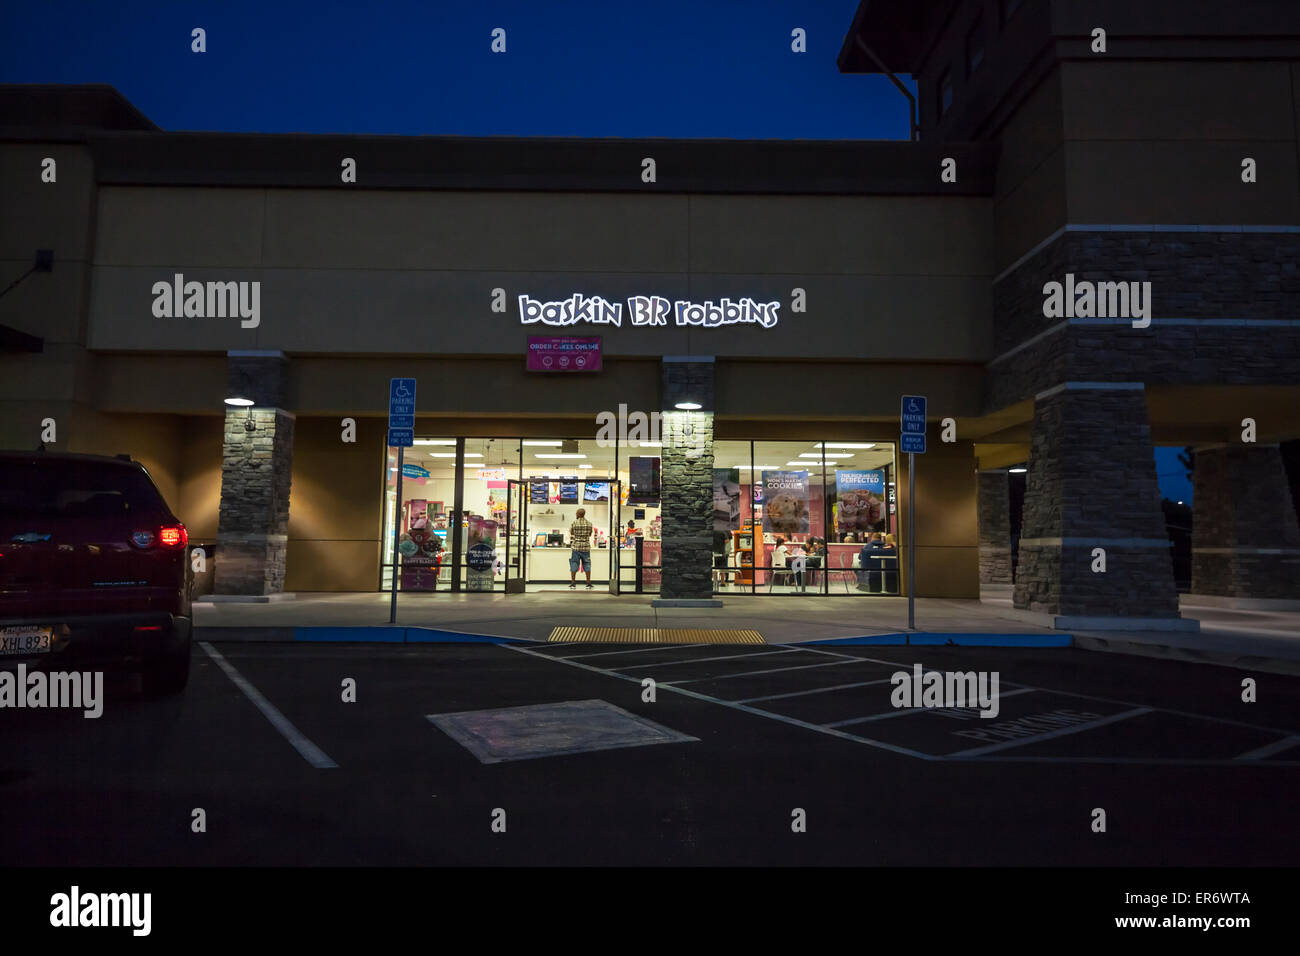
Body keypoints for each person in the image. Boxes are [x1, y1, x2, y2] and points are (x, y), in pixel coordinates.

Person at [569, 507, 595, 589]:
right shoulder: (589, 524)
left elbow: (571, 533)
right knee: (587, 564)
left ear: (577, 514)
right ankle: (588, 583)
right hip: (586, 548)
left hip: (576, 547)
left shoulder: (574, 523)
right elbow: (590, 534)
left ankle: (573, 583)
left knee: (574, 564)